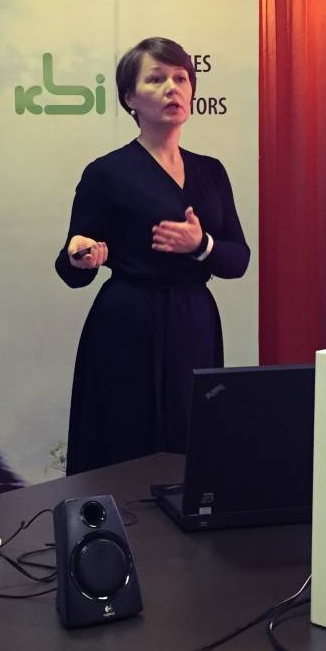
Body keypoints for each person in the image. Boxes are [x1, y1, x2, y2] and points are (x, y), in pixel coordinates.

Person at [55, 37, 250, 474]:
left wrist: (200, 245)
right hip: (126, 322)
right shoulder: (106, 172)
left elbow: (237, 260)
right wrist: (81, 256)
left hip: (194, 320)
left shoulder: (210, 171)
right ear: (130, 98)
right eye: (157, 79)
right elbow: (71, 265)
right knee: (124, 438)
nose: (172, 88)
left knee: (189, 439)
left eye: (181, 79)